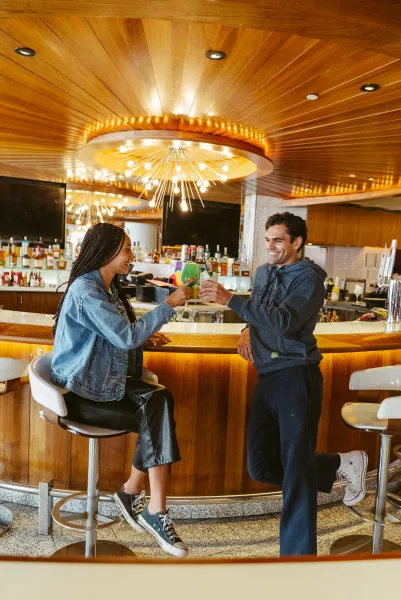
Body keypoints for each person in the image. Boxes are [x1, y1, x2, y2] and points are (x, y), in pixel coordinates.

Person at [200, 212, 368, 556]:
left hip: (296, 376)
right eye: (267, 240)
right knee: (261, 465)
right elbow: (260, 313)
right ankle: (340, 464)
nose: (271, 246)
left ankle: (297, 559)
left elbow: (284, 322)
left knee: (297, 473)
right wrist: (245, 328)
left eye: (278, 240)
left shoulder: (309, 279)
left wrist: (231, 300)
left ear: (297, 242)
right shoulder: (263, 273)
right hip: (268, 376)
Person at [51, 223, 194, 558]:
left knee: (160, 400)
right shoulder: (87, 292)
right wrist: (169, 305)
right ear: (107, 252)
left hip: (101, 384)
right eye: (127, 249)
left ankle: (138, 496)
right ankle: (148, 506)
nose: (132, 256)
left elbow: (118, 335)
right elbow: (125, 336)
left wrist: (145, 335)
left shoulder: (107, 287)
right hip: (79, 395)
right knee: (156, 412)